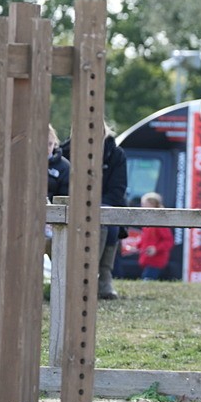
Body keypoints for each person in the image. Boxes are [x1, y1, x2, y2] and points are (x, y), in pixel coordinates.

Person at [62, 123, 127, 300]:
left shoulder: (116, 154)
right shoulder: (65, 152)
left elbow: (117, 190)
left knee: (108, 222)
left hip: (104, 206)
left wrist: (94, 208)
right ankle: (86, 278)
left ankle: (101, 277)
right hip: (73, 206)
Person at [136, 192, 173, 281]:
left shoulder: (159, 222)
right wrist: (138, 246)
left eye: (144, 205)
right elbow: (146, 239)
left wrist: (156, 249)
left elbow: (169, 241)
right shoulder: (148, 222)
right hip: (148, 259)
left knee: (148, 279)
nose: (142, 207)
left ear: (152, 205)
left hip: (156, 260)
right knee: (147, 277)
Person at [47, 124, 70, 201]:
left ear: (55, 143)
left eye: (50, 144)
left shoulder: (64, 167)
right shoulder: (25, 163)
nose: (47, 148)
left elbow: (65, 196)